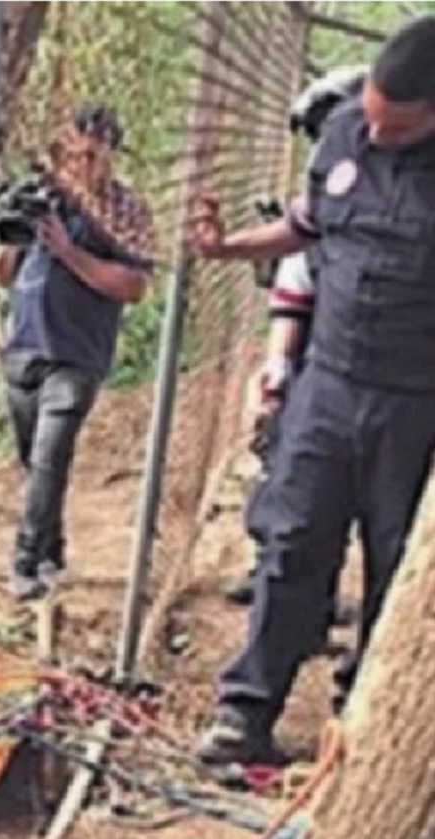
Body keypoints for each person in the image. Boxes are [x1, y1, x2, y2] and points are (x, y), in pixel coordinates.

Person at [190, 16, 435, 765]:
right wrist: (228, 246)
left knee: (396, 565)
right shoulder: (341, 136)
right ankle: (247, 710)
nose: (376, 132)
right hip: (326, 385)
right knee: (291, 541)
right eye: (370, 114)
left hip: (415, 402)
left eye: (395, 127)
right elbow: (303, 227)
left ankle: (361, 720)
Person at [0, 106, 157, 601]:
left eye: (91, 156)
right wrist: (16, 229)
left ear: (110, 156)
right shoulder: (43, 198)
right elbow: (1, 274)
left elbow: (132, 286)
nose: (80, 165)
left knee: (48, 457)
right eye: (72, 154)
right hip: (23, 346)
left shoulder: (124, 211)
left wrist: (68, 251)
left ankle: (22, 563)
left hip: (77, 352)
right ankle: (51, 549)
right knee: (34, 460)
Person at [224, 66, 368, 610]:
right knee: (288, 466)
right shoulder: (326, 193)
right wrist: (278, 367)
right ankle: (279, 578)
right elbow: (295, 286)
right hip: (320, 352)